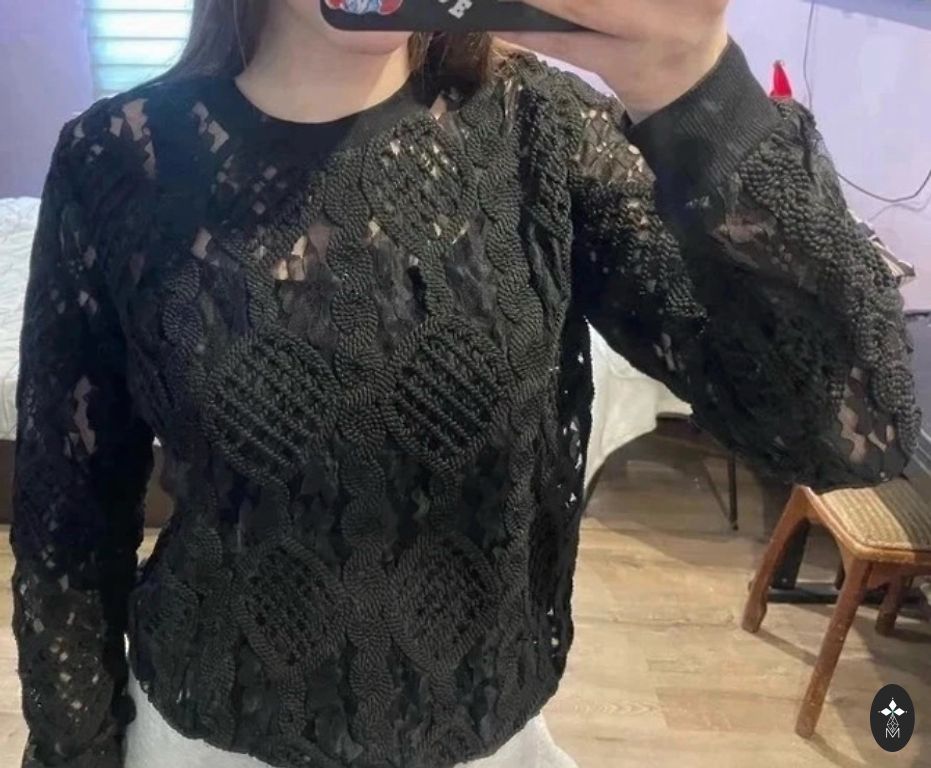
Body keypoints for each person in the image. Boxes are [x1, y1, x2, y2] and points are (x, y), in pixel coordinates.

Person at [10, 0, 920, 766]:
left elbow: (847, 428)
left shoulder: (542, 131)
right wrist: (74, 750)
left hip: (485, 736)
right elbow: (67, 525)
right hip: (206, 731)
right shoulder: (116, 160)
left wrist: (695, 84)